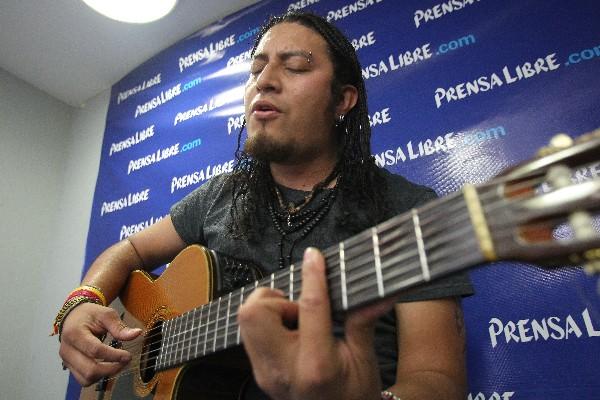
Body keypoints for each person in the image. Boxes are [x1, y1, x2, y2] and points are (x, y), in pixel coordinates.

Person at [55, 11, 473, 400]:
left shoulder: (405, 211)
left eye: (295, 67)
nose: (265, 81)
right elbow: (129, 251)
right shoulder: (222, 194)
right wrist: (83, 302)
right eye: (256, 69)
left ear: (343, 100)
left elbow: (438, 380)